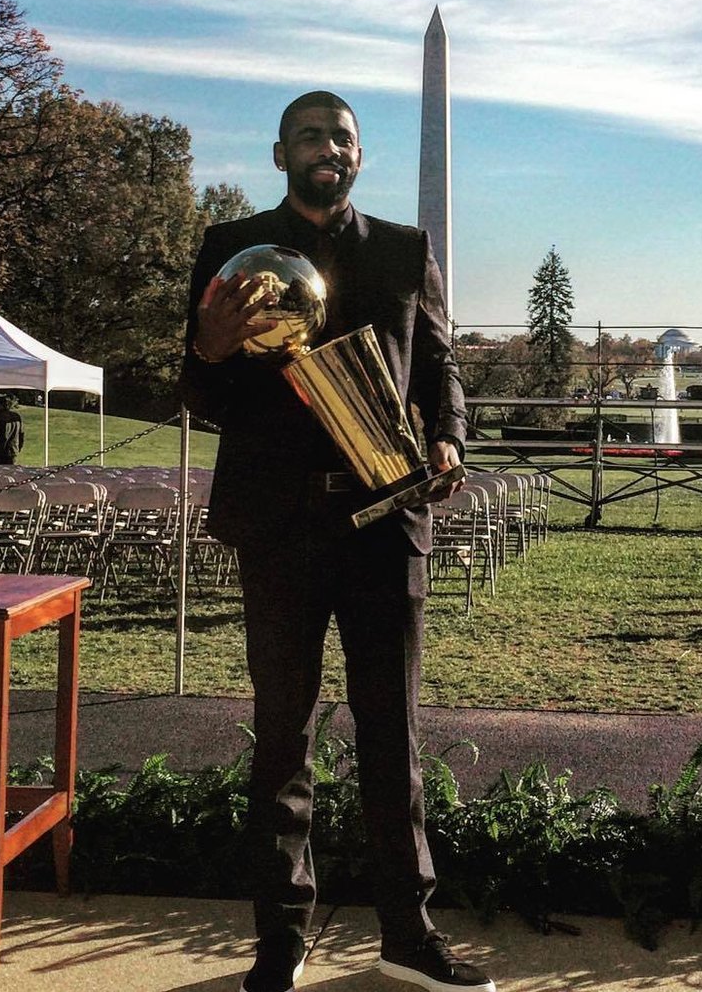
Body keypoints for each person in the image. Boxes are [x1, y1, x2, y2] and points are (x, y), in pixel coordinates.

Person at [179, 91, 494, 992]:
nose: (330, 147)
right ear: (281, 152)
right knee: (282, 736)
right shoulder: (228, 249)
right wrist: (208, 345)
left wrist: (449, 436)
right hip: (278, 526)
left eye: (344, 136)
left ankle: (408, 932)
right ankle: (280, 935)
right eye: (312, 135)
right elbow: (203, 396)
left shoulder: (405, 250)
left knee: (391, 731)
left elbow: (440, 367)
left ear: (362, 155)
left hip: (384, 523)